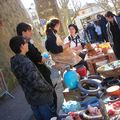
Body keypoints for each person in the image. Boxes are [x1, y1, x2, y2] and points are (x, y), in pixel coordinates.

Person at [9, 36, 57, 120]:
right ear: (21, 46)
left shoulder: (14, 62)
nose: (27, 44)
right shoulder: (25, 62)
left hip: (31, 98)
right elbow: (36, 82)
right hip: (42, 98)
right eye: (26, 43)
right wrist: (49, 88)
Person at [16, 23, 57, 111]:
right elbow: (39, 60)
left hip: (35, 86)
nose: (31, 32)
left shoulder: (18, 56)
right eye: (29, 30)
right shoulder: (26, 46)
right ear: (23, 32)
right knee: (50, 99)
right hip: (40, 76)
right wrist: (45, 56)